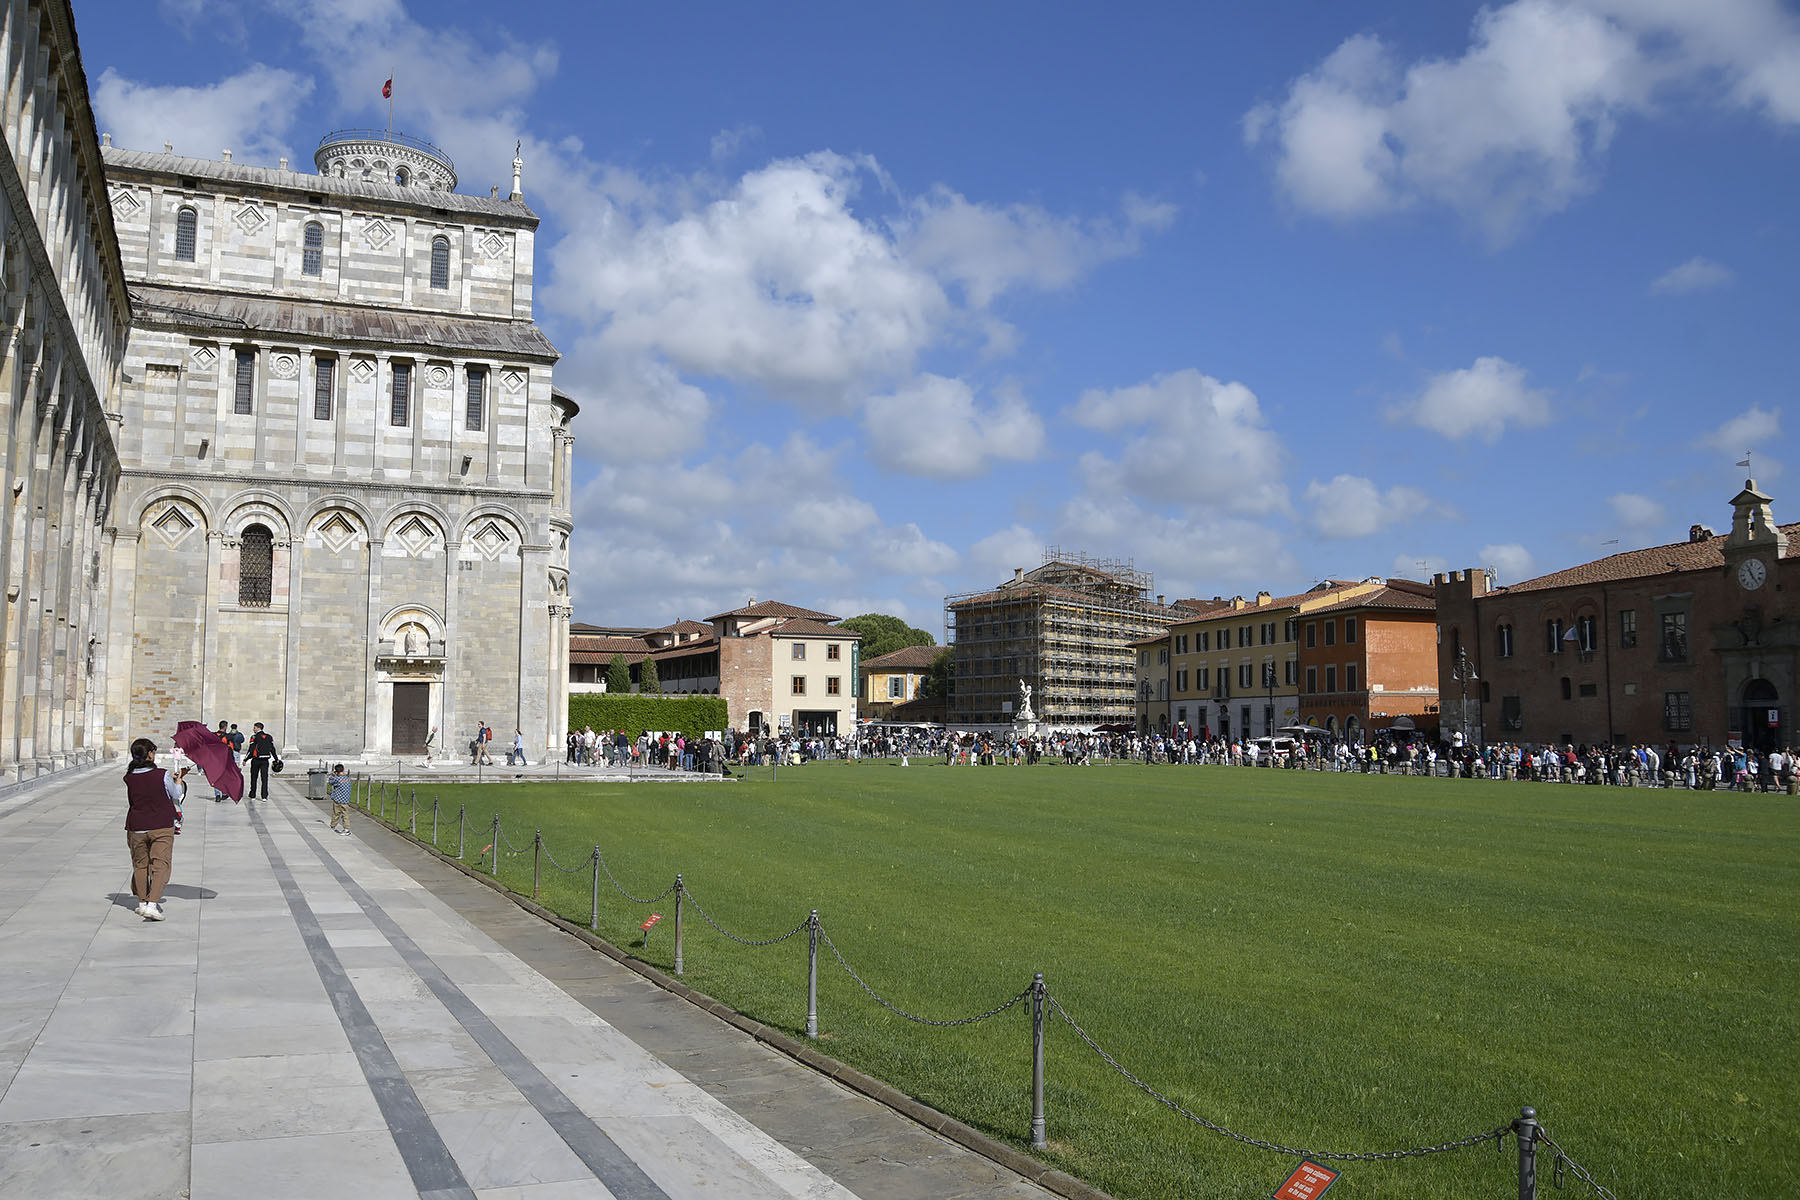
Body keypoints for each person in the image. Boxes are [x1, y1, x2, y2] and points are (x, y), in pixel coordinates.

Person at [124, 737, 187, 921]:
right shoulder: (162, 774)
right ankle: (152, 904)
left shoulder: (129, 776)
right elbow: (176, 794)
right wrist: (178, 780)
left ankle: (142, 903)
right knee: (160, 864)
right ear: (150, 754)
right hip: (161, 825)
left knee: (140, 865)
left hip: (137, 825)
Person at [245, 721, 278, 799]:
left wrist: (246, 759)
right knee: (264, 778)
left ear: (258, 728)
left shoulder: (254, 737)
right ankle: (264, 796)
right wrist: (276, 758)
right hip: (265, 760)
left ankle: (253, 794)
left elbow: (251, 749)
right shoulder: (269, 737)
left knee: (254, 778)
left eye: (254, 728)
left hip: (256, 760)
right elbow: (272, 749)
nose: (253, 729)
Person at [328, 762, 353, 835]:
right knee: (345, 815)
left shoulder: (337, 779)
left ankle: (333, 826)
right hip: (345, 800)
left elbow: (330, 782)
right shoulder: (348, 779)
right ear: (343, 770)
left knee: (336, 813)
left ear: (336, 771)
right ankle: (346, 828)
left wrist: (333, 775)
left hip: (337, 799)